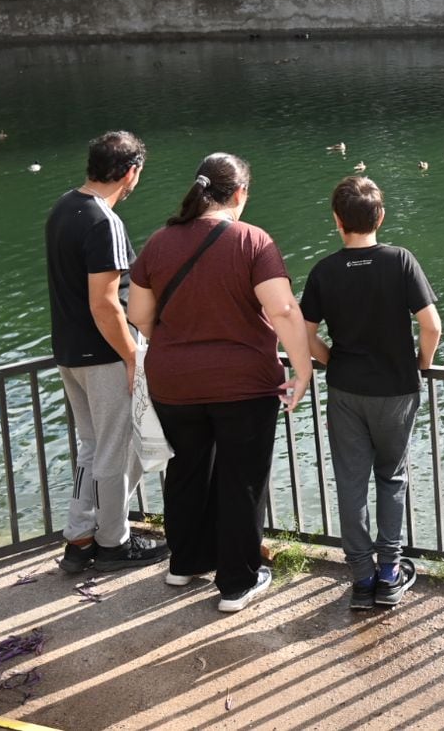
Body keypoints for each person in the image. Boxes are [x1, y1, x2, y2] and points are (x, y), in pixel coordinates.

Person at [127, 153, 316, 614]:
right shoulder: (253, 242)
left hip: (173, 383)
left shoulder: (158, 243)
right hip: (243, 386)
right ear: (240, 194)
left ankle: (185, 562)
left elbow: (137, 315)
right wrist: (303, 369)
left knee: (187, 470)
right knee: (241, 479)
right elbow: (284, 310)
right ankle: (237, 582)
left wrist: (182, 348)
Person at [297, 175, 441, 611]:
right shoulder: (401, 261)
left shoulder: (324, 269)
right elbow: (431, 326)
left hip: (345, 389)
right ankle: (390, 575)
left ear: (337, 221)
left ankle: (361, 577)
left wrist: (330, 360)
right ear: (380, 216)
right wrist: (422, 364)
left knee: (351, 482)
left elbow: (305, 337)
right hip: (396, 389)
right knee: (391, 477)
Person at [45, 130, 169, 573]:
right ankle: (114, 542)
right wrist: (133, 356)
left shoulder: (63, 207)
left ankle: (80, 536)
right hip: (104, 355)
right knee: (117, 449)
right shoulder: (104, 222)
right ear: (130, 173)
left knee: (93, 447)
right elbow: (104, 302)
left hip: (68, 352)